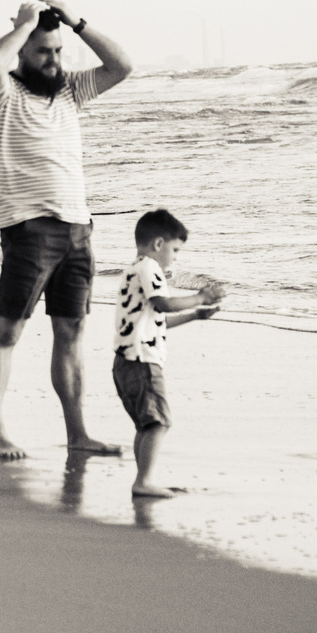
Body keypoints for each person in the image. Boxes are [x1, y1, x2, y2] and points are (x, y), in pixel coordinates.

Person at [0, 0, 133, 460]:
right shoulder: (1, 93)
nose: (54, 60)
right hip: (28, 229)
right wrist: (24, 27)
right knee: (7, 331)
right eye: (44, 51)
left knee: (72, 333)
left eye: (58, 51)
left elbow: (122, 65)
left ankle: (78, 433)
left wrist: (76, 22)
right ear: (24, 51)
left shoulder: (69, 90)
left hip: (78, 229)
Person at [111, 208, 222, 498]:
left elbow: (157, 320)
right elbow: (164, 305)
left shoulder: (132, 271)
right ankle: (143, 481)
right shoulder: (150, 268)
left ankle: (143, 478)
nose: (176, 257)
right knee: (160, 422)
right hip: (143, 362)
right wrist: (200, 297)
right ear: (158, 244)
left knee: (146, 424)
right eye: (175, 250)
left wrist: (195, 315)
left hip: (126, 361)